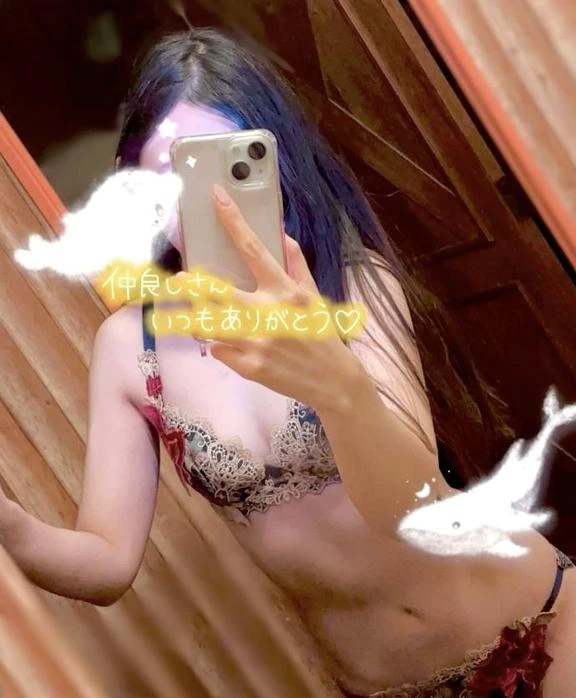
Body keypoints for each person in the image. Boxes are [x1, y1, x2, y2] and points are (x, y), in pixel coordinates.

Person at [3, 28, 576, 697]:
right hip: (385, 685)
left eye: (223, 170)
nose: (200, 206)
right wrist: (13, 526)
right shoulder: (133, 347)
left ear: (273, 164)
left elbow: (410, 507)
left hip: (535, 618)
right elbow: (106, 562)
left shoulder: (350, 284)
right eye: (168, 180)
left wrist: (336, 386)